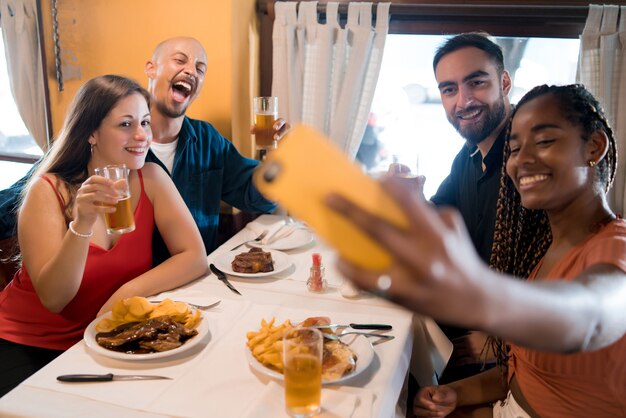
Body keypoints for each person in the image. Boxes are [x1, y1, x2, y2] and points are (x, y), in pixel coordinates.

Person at [327, 84, 625, 417]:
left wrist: (478, 295)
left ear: (595, 146)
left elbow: (589, 320)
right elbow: (521, 374)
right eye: (513, 148)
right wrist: (452, 393)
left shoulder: (617, 250)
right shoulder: (546, 251)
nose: (522, 160)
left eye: (544, 141)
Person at [0, 75, 208, 396]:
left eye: (145, 122)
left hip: (104, 340)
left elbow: (195, 257)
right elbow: (55, 299)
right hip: (29, 343)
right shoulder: (47, 191)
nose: (141, 135)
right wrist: (81, 224)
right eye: (125, 124)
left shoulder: (150, 178)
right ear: (92, 133)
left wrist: (126, 292)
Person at [0, 36, 285, 265]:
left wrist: (279, 159)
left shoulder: (208, 139)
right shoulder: (112, 145)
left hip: (194, 282)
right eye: (180, 60)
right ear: (151, 68)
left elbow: (259, 198)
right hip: (130, 289)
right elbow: (24, 197)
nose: (191, 70)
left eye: (200, 68)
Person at [415, 32, 514, 383]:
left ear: (504, 82)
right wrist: (408, 195)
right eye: (449, 89)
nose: (464, 100)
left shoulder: (527, 163)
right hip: (463, 317)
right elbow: (436, 216)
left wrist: (497, 341)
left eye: (476, 82)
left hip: (508, 345)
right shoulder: (469, 155)